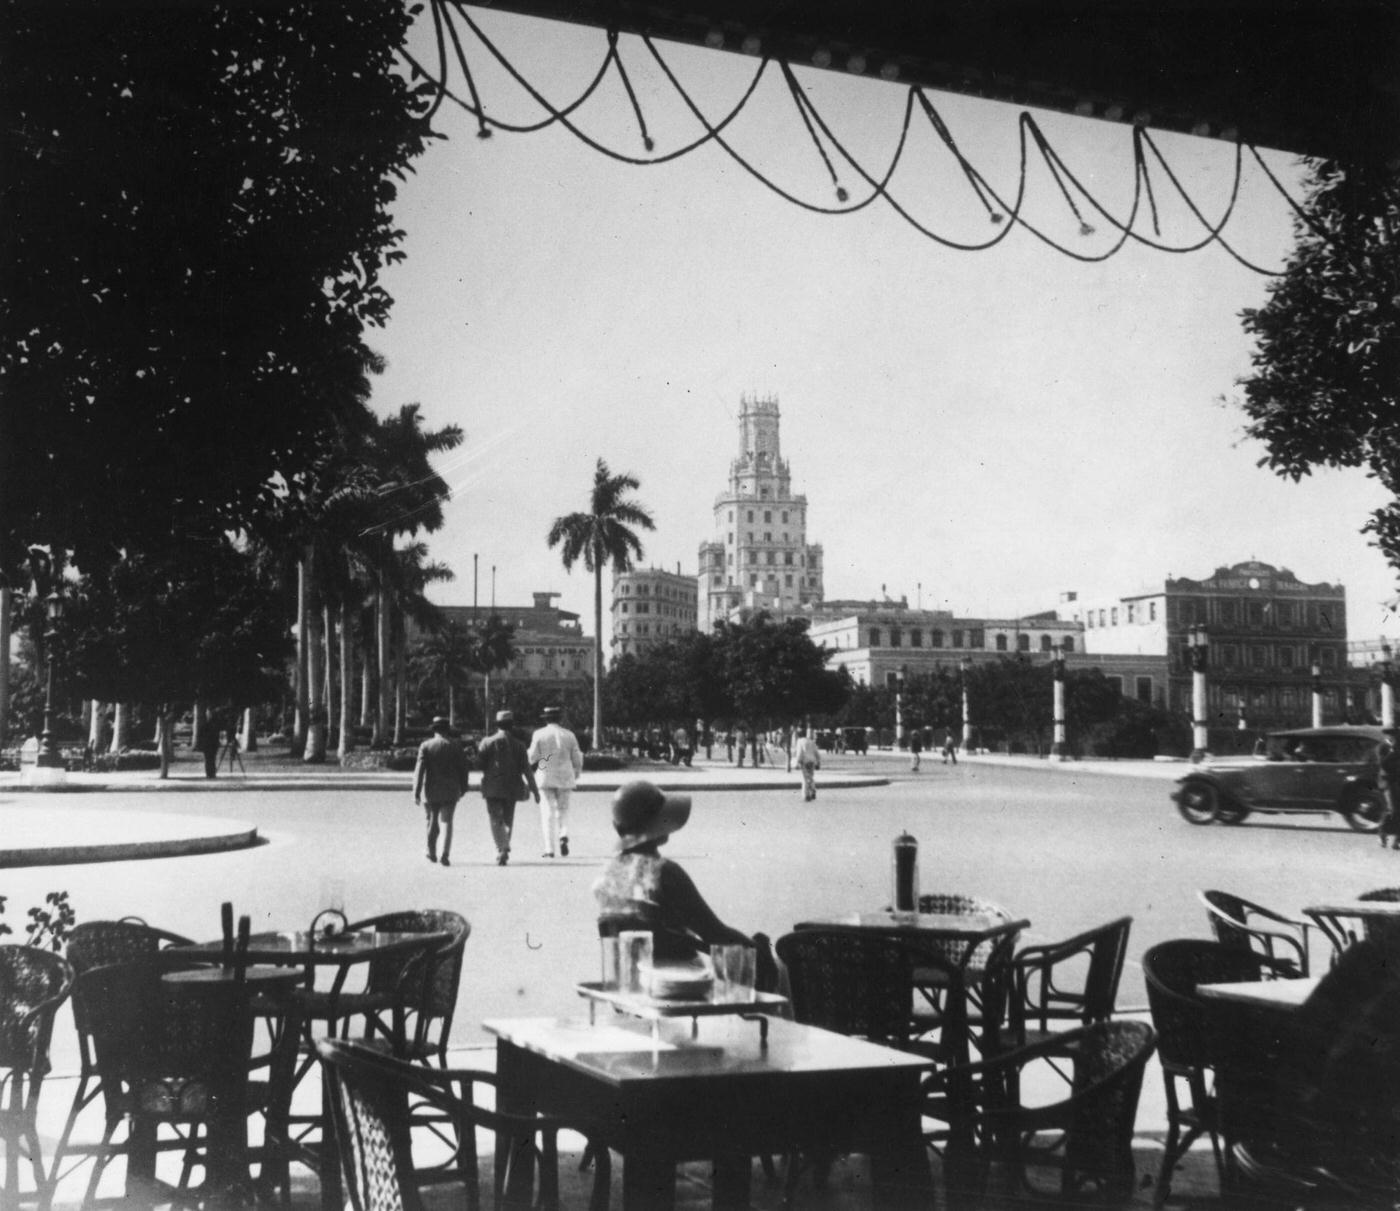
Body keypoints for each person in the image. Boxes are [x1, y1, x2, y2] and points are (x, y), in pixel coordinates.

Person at [593, 780, 777, 989]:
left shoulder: (606, 873)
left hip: (629, 980)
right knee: (777, 967)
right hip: (676, 982)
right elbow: (714, 933)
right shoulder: (663, 872)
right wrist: (758, 948)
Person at [478, 710, 539, 866]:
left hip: (492, 786)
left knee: (494, 818)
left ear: (497, 724)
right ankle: (503, 848)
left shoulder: (486, 742)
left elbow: (480, 764)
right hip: (512, 786)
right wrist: (535, 791)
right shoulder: (519, 745)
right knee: (508, 819)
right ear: (512, 725)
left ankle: (501, 847)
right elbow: (527, 770)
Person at [413, 716, 471, 867]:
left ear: (434, 730)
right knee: (447, 821)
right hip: (451, 790)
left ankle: (431, 851)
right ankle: (445, 853)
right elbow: (463, 769)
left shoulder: (426, 746)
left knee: (431, 820)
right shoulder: (456, 746)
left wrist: (416, 791)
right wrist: (464, 787)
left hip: (430, 789)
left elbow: (419, 771)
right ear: (447, 730)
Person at [528, 705, 583, 858]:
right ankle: (563, 834)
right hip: (565, 776)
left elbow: (532, 756)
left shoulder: (539, 734)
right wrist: (576, 773)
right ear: (560, 719)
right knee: (563, 810)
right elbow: (577, 757)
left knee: (547, 812)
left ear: (545, 719)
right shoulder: (569, 735)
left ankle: (549, 849)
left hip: (545, 776)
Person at [1376, 728, 1400, 849]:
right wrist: (1394, 752)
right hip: (1387, 782)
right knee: (1392, 809)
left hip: (1397, 780)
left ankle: (1397, 840)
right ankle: (1382, 833)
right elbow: (1384, 764)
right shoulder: (1384, 747)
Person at [795, 727, 821, 801]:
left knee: (805, 778)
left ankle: (806, 795)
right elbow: (816, 752)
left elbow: (799, 753)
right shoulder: (811, 741)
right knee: (811, 776)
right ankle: (813, 790)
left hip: (805, 762)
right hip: (812, 761)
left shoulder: (799, 741)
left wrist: (798, 762)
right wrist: (818, 761)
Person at [196, 715, 221, 779]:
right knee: (212, 759)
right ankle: (212, 773)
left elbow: (200, 736)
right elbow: (216, 737)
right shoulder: (215, 727)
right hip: (212, 745)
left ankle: (209, 773)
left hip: (207, 746)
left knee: (208, 760)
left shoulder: (204, 726)